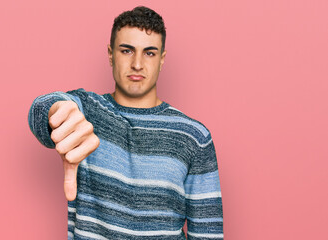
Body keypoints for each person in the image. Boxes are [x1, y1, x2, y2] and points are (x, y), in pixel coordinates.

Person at [28, 6, 223, 240]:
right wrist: (56, 111)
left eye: (149, 53)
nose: (137, 64)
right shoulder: (87, 110)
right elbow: (46, 108)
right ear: (111, 54)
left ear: (162, 59)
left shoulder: (194, 137)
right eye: (127, 51)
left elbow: (207, 233)